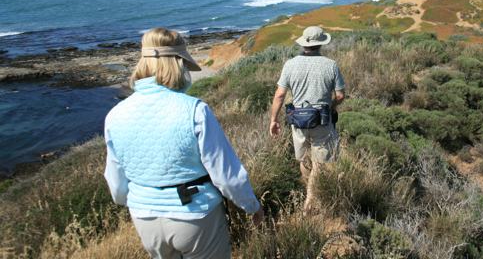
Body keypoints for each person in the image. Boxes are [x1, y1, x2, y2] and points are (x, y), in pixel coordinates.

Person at [104, 27, 263, 259]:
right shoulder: (194, 110)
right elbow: (226, 175)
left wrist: (141, 199)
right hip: (195, 214)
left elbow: (117, 185)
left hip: (144, 217)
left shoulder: (115, 115)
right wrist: (252, 206)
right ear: (178, 64)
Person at [269, 26, 345, 212]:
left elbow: (279, 95)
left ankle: (308, 193)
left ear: (305, 43)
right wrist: (332, 106)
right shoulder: (330, 65)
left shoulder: (290, 64)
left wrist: (274, 120)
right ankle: (311, 199)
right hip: (322, 119)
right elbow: (341, 95)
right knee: (320, 160)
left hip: (299, 120)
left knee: (304, 158)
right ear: (320, 44)